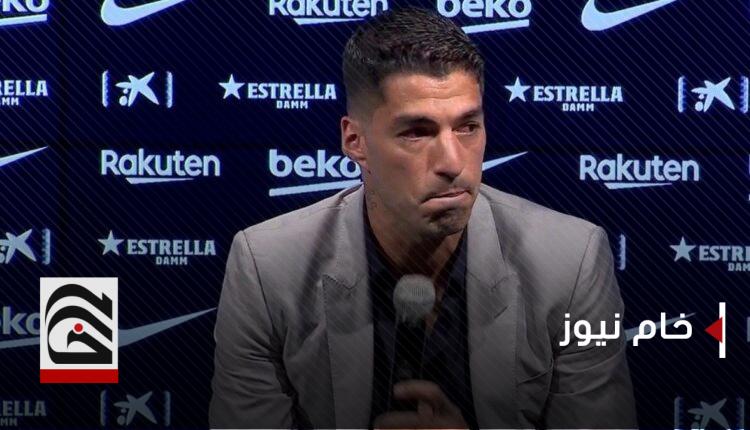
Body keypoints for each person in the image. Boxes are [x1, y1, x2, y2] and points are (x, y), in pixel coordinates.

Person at [210, 7, 637, 429]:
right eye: (417, 132)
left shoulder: (571, 263)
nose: (452, 162)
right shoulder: (268, 267)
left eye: (468, 127)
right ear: (355, 141)